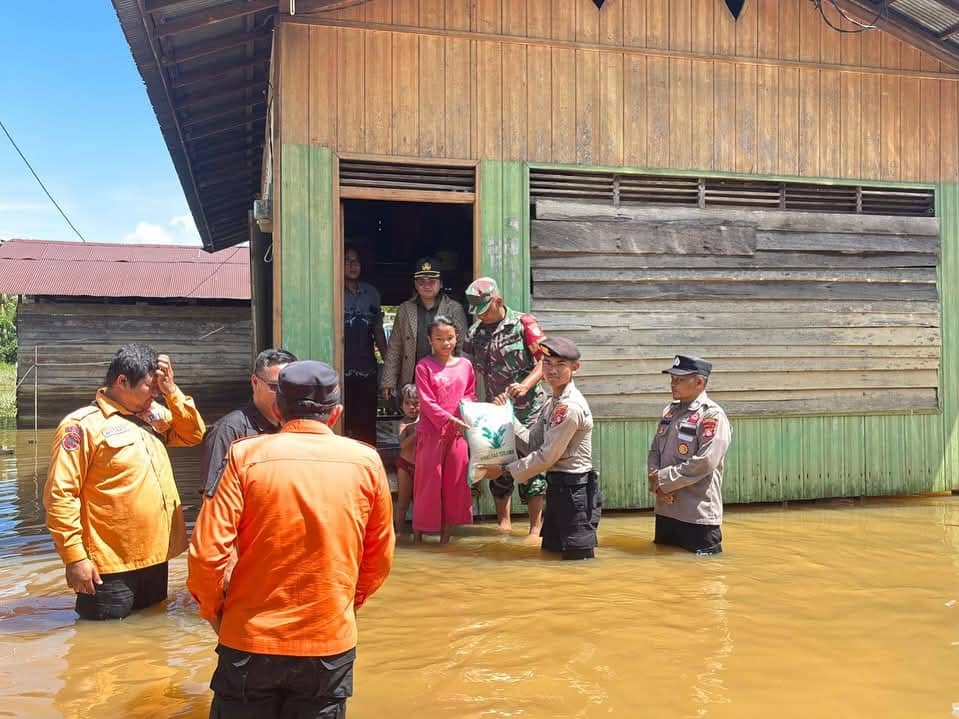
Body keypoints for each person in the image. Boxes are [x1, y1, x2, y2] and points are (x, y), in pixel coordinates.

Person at [188, 360, 394, 719]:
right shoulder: (367, 463)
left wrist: (215, 611)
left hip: (248, 642)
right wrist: (345, 605)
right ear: (336, 414)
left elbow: (207, 554)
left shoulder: (243, 456)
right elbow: (378, 558)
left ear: (278, 408)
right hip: (328, 644)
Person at [43, 343, 205, 620]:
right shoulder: (81, 426)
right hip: (108, 566)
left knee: (154, 641)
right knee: (103, 648)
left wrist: (172, 392)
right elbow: (61, 495)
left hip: (155, 557)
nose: (155, 393)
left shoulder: (152, 417)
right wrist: (75, 558)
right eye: (149, 386)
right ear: (121, 382)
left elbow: (193, 434)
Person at [480, 337, 601, 560]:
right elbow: (533, 442)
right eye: (547, 363)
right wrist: (505, 415)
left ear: (575, 367)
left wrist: (505, 471)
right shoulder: (552, 401)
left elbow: (546, 457)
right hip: (558, 488)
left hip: (575, 492)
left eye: (560, 365)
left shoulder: (569, 407)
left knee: (578, 561)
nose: (552, 371)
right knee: (551, 556)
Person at [463, 276, 548, 537]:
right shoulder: (474, 333)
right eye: (476, 313)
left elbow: (545, 361)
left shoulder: (524, 324)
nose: (481, 317)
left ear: (498, 301)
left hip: (529, 409)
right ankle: (504, 525)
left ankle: (535, 529)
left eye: (484, 311)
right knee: (498, 465)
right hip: (496, 409)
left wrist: (525, 385)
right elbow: (465, 370)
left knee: (531, 465)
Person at [647, 354, 732, 555]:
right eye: (672, 379)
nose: (673, 384)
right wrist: (655, 482)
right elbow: (654, 451)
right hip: (666, 511)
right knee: (665, 578)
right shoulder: (670, 411)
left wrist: (662, 479)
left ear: (700, 382)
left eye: (680, 379)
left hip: (697, 515)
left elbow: (705, 461)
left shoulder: (711, 415)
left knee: (702, 581)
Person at [199, 348, 297, 498]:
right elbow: (213, 500)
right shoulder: (228, 430)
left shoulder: (296, 428)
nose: (282, 394)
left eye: (289, 388)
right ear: (255, 382)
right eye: (275, 387)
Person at [413, 316, 475, 544]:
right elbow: (426, 402)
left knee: (455, 484)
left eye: (449, 338)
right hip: (431, 432)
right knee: (428, 484)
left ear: (456, 337)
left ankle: (445, 539)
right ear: (430, 340)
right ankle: (418, 536)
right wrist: (448, 418)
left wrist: (464, 415)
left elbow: (469, 394)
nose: (445, 343)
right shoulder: (423, 366)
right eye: (439, 339)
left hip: (457, 434)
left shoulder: (465, 365)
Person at [382, 256, 469, 401]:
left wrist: (462, 379)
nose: (426, 286)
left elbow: (462, 346)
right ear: (415, 284)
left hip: (444, 375)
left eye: (432, 282)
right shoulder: (405, 309)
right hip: (412, 376)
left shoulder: (454, 308)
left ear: (441, 284)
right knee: (413, 420)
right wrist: (388, 380)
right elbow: (395, 346)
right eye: (421, 282)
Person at [344, 245, 388, 445]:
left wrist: (388, 363)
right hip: (340, 370)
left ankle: (369, 462)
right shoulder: (331, 290)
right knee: (344, 420)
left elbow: (378, 330)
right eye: (347, 261)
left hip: (367, 369)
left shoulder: (372, 293)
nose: (352, 265)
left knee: (367, 420)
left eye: (356, 261)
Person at [394, 383, 419, 536]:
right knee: (402, 502)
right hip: (405, 465)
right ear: (401, 405)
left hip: (421, 466)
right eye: (407, 403)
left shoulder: (425, 421)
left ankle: (418, 535)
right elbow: (403, 445)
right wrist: (418, 430)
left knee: (419, 503)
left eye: (416, 403)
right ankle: (399, 533)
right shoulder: (403, 424)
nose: (411, 407)